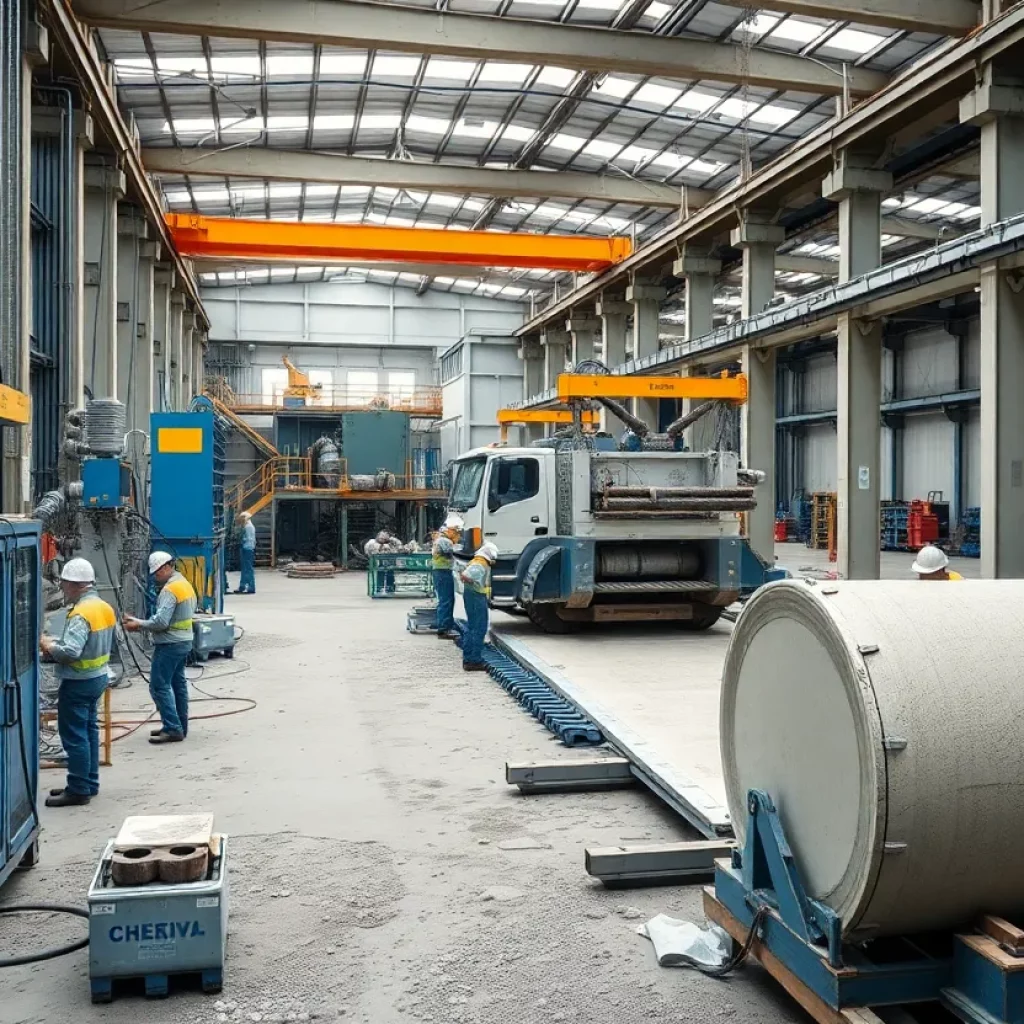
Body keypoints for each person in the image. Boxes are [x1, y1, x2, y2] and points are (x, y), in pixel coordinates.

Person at [39, 558, 116, 807]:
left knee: (75, 736)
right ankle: (88, 782)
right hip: (98, 677)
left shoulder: (81, 613)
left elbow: (71, 651)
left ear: (75, 584)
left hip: (79, 682)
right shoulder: (104, 607)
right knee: (89, 731)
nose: (62, 588)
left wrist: (49, 646)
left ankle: (79, 788)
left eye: (64, 583)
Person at [123, 552, 197, 744]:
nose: (155, 577)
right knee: (178, 684)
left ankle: (173, 728)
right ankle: (180, 725)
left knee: (159, 685)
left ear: (165, 567)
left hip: (170, 644)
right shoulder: (185, 585)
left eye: (156, 573)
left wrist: (137, 623)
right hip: (184, 641)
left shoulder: (170, 590)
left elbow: (161, 621)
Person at [459, 542, 498, 672]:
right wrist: (471, 581)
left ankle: (469, 658)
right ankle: (473, 660)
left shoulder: (479, 561)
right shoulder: (480, 564)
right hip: (475, 597)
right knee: (478, 627)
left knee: (473, 626)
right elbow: (465, 575)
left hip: (474, 595)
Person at [432, 514, 464, 639]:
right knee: (446, 600)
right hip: (442, 572)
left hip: (442, 572)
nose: (458, 534)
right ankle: (444, 629)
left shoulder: (441, 539)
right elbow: (455, 551)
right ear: (450, 530)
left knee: (447, 600)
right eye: (456, 531)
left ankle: (445, 625)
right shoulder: (444, 541)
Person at [236, 511, 257, 594]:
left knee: (248, 569)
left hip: (247, 549)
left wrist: (240, 541)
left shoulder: (248, 527)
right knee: (245, 569)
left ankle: (251, 587)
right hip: (248, 549)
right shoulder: (249, 526)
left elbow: (249, 539)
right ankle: (243, 586)